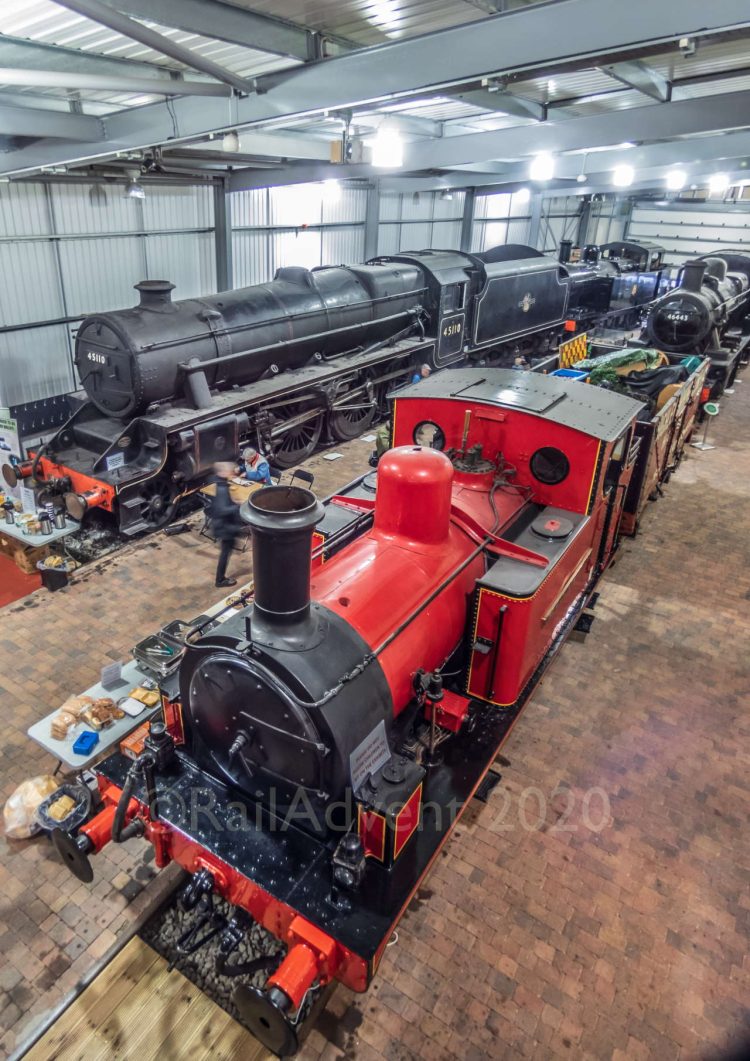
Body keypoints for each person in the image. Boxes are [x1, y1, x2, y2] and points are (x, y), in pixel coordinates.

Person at [210, 462, 247, 588]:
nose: (232, 473)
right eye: (230, 471)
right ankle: (220, 580)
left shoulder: (220, 485)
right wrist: (237, 506)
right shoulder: (221, 489)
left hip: (225, 526)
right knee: (225, 553)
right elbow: (222, 510)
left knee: (227, 551)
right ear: (222, 473)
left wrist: (233, 502)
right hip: (225, 528)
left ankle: (220, 579)